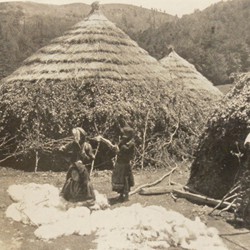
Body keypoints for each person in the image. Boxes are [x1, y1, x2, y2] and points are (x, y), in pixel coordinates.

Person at [95, 126, 135, 201]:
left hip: (125, 164)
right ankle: (121, 194)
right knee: (119, 180)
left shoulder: (130, 145)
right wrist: (103, 140)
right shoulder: (123, 142)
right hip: (119, 164)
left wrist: (118, 150)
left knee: (125, 180)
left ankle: (125, 195)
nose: (123, 137)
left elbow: (123, 152)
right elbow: (113, 147)